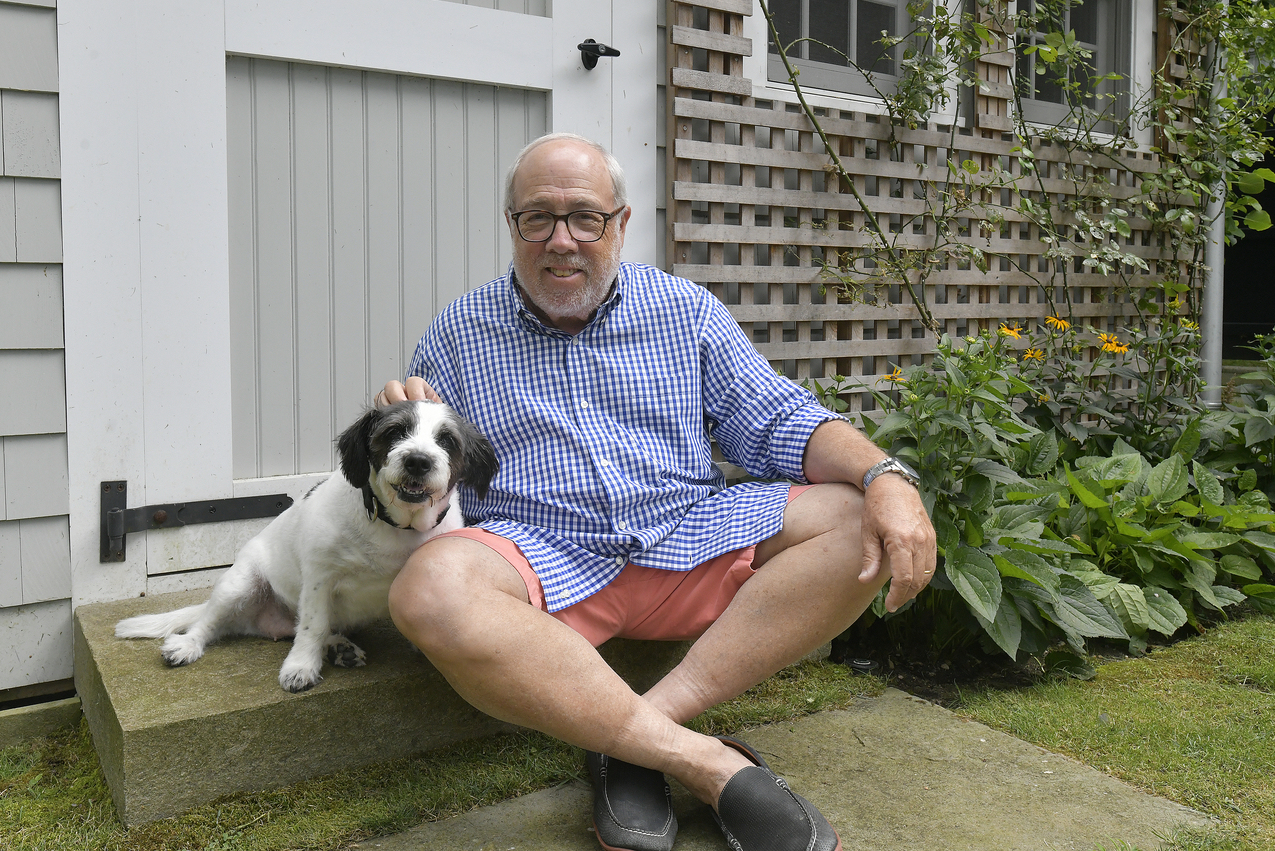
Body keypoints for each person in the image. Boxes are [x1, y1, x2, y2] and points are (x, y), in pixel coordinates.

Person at [378, 132, 935, 851]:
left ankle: (632, 734)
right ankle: (705, 763)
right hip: (540, 563)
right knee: (427, 590)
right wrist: (399, 427)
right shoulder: (456, 333)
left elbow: (779, 419)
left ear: (622, 222)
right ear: (511, 225)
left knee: (859, 518)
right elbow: (423, 488)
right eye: (537, 219)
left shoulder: (685, 312)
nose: (561, 241)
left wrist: (885, 476)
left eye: (585, 217)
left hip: (689, 540)